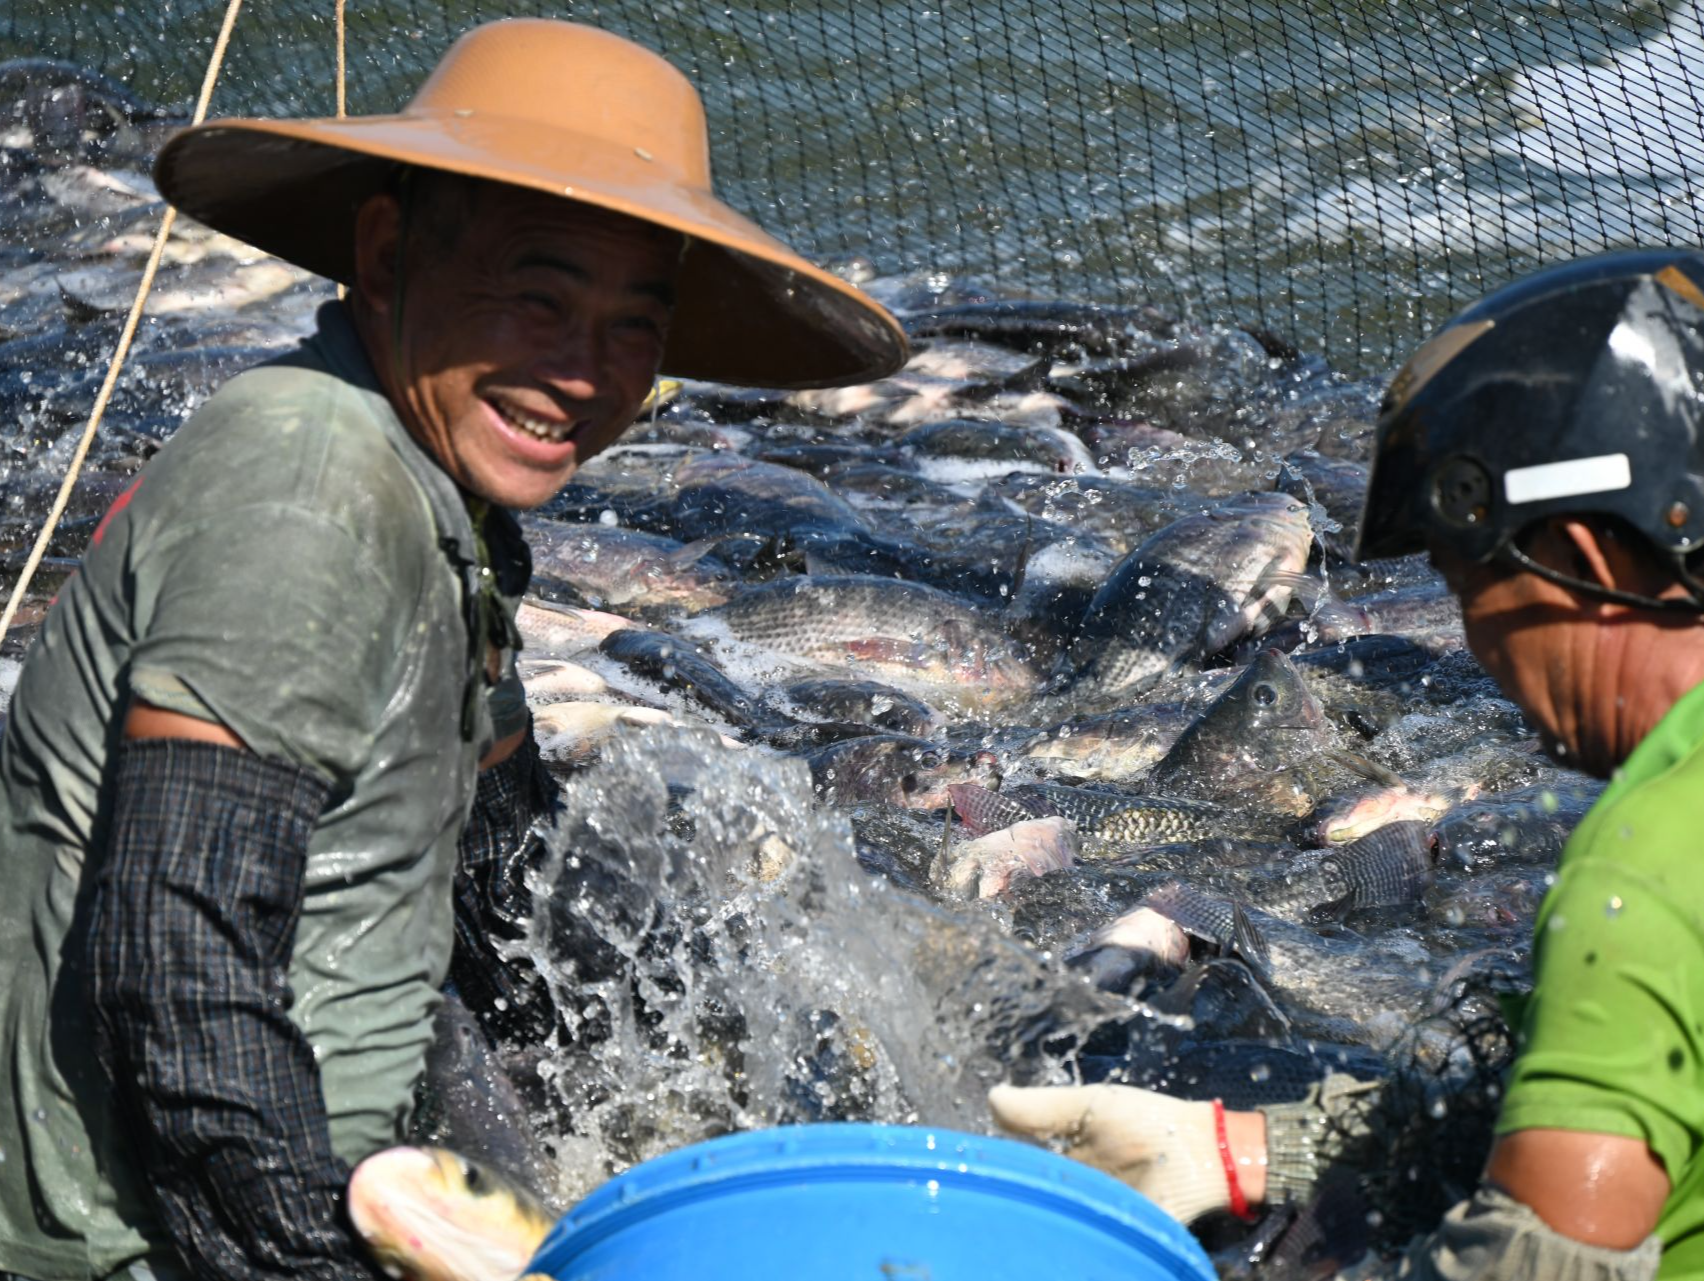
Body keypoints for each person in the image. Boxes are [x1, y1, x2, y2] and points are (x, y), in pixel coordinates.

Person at [0, 20, 905, 1281]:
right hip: (131, 1240)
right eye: (539, 297)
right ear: (385, 254)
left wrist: (707, 1107)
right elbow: (175, 959)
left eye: (633, 327)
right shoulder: (309, 495)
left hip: (330, 1163)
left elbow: (502, 877)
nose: (582, 374)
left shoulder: (441, 502)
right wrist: (313, 1261)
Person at [989, 248, 1704, 1280]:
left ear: (1584, 563)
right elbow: (1579, 1097)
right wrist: (1236, 1151)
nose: (1480, 655)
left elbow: (1539, 1258)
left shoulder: (1643, 868)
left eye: (1472, 595)